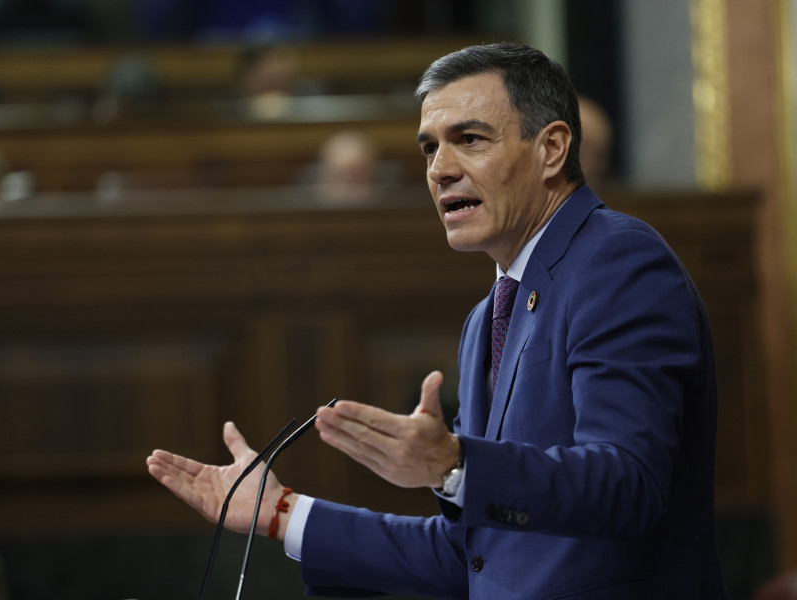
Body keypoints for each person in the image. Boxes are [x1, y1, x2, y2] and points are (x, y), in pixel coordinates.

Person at [147, 42, 728, 598]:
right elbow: (470, 556)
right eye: (429, 148)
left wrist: (455, 465)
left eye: (469, 140)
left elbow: (628, 485)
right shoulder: (486, 320)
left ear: (551, 148)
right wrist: (283, 515)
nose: (440, 170)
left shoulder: (616, 259)